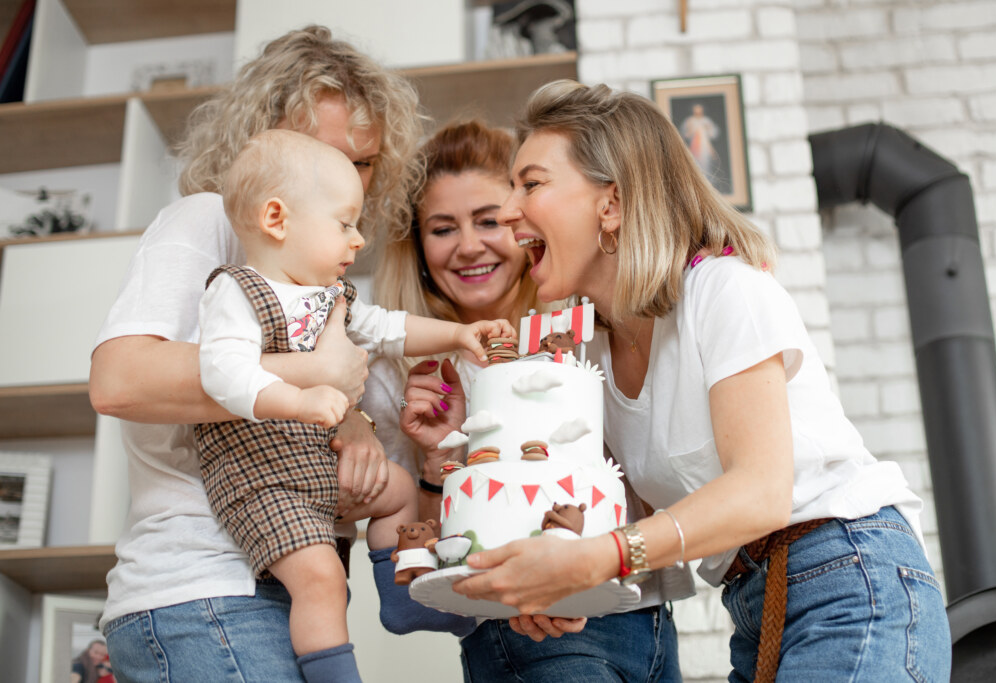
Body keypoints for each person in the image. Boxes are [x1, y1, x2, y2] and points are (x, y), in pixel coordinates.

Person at [452, 80, 953, 681]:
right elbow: (612, 517)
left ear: (610, 204)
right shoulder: (590, 356)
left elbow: (761, 492)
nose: (508, 212)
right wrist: (561, 587)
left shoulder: (723, 291)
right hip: (755, 607)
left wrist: (599, 559)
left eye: (530, 184)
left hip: (850, 574)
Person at [88, 26, 466, 682]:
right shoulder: (205, 222)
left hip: (293, 598)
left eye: (364, 159)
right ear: (259, 146)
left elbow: (373, 480)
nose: (343, 174)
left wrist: (401, 447)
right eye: (317, 150)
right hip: (206, 590)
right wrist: (316, 377)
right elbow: (118, 380)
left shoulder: (335, 291)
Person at [362, 119, 690, 682]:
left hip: (648, 620)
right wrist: (440, 460)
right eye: (443, 229)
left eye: (488, 220)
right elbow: (407, 602)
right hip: (524, 635)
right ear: (417, 247)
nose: (469, 246)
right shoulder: (404, 376)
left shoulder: (592, 330)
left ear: (524, 221)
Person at [196, 128, 514, 681]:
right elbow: (219, 373)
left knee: (396, 489)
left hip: (317, 466)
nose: (359, 239)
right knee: (322, 580)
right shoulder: (237, 292)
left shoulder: (334, 297)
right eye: (344, 224)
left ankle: (405, 595)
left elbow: (391, 329)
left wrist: (457, 336)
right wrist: (300, 395)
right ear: (277, 219)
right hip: (261, 477)